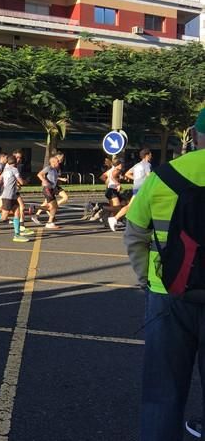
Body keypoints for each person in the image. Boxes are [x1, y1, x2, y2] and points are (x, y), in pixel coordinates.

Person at [124, 109, 205, 441]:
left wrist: (147, 279)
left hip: (169, 294)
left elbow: (134, 236)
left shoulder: (164, 177)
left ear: (197, 137)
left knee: (162, 392)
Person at [108, 149, 152, 230]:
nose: (151, 156)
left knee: (140, 206)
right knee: (131, 206)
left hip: (136, 187)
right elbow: (149, 177)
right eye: (150, 154)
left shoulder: (137, 165)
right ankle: (115, 219)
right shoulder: (147, 164)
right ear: (147, 155)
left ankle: (136, 223)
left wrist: (137, 179)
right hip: (142, 189)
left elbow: (127, 174)